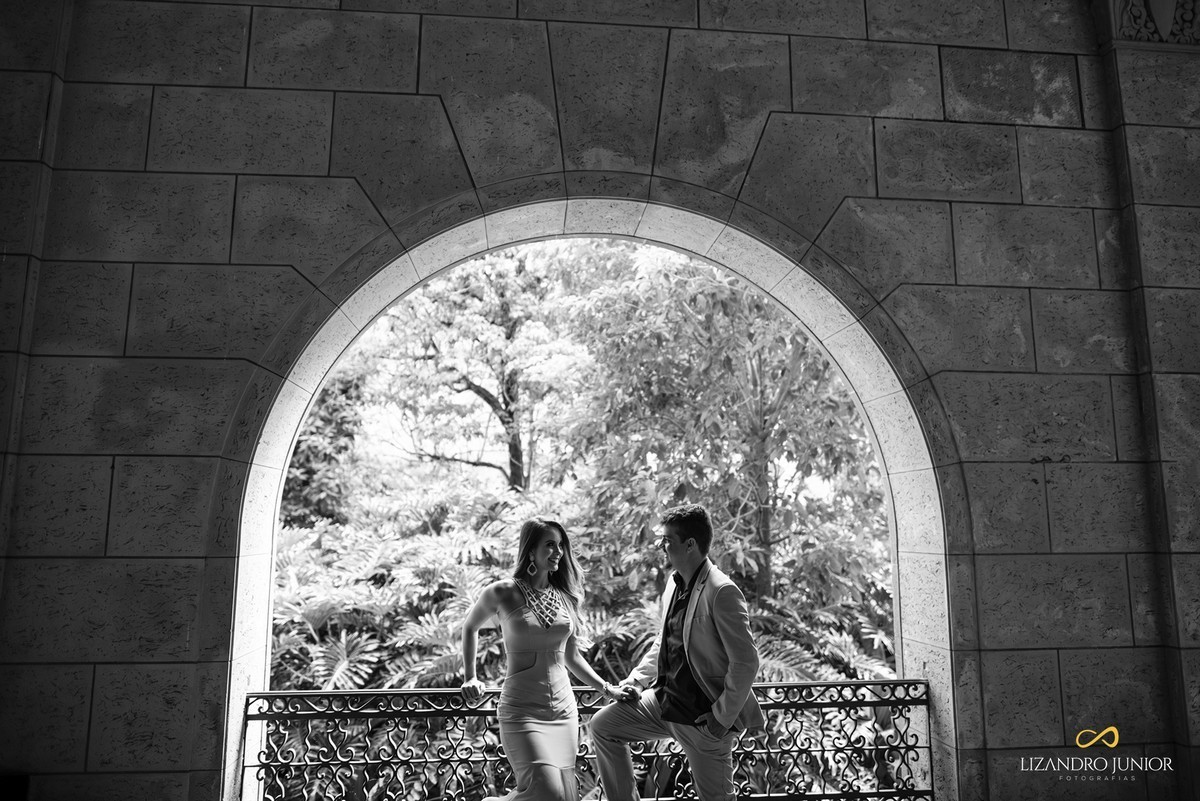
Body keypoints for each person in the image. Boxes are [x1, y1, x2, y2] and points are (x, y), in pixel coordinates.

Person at [589, 503, 763, 801]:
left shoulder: (722, 591)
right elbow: (664, 642)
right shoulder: (674, 584)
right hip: (663, 704)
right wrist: (635, 682)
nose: (662, 546)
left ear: (691, 544)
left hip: (702, 718)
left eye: (668, 540)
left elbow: (746, 661)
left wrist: (720, 719)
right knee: (603, 726)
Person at [461, 518, 621, 801]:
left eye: (561, 546)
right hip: (521, 711)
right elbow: (470, 626)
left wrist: (607, 689)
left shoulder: (565, 598)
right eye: (550, 545)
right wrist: (470, 677)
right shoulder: (502, 592)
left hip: (564, 712)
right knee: (548, 792)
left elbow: (571, 657)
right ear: (530, 551)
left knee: (566, 797)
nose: (558, 551)